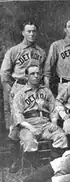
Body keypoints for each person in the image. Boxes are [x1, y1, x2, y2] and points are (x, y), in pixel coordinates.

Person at [0, 20, 46, 173]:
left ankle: (32, 161)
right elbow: (4, 72)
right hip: (19, 86)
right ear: (23, 33)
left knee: (33, 121)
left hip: (36, 89)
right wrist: (10, 89)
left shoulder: (41, 52)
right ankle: (14, 161)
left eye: (34, 31)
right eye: (29, 31)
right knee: (16, 125)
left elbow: (45, 73)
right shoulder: (14, 50)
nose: (31, 34)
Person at [11, 65, 68, 171]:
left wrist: (54, 122)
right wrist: (30, 127)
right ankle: (35, 170)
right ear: (26, 76)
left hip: (45, 123)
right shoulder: (20, 94)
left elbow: (53, 109)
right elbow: (17, 115)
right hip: (27, 124)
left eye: (38, 73)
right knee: (29, 141)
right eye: (32, 74)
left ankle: (52, 167)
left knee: (61, 137)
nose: (36, 76)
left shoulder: (46, 91)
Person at [43, 17, 70, 95]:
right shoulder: (57, 45)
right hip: (63, 85)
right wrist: (47, 89)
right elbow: (47, 71)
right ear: (65, 29)